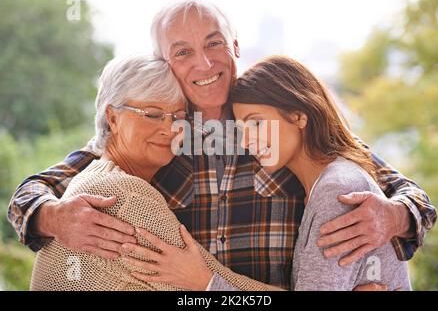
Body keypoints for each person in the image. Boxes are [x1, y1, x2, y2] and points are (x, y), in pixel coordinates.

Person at [8, 0, 436, 290]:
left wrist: (395, 216)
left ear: (234, 46)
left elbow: (409, 196)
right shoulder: (156, 137)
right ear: (165, 63)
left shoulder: (279, 121)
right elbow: (34, 191)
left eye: (214, 43)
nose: (204, 63)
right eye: (183, 52)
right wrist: (51, 217)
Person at [124, 56, 411, 291]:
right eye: (241, 129)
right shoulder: (327, 181)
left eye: (257, 124)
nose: (247, 141)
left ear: (299, 115)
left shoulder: (337, 191)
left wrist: (204, 282)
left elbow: (413, 196)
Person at [30, 54, 280, 291]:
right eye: (152, 115)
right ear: (113, 118)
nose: (170, 129)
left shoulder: (95, 175)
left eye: (178, 117)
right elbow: (220, 287)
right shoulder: (124, 196)